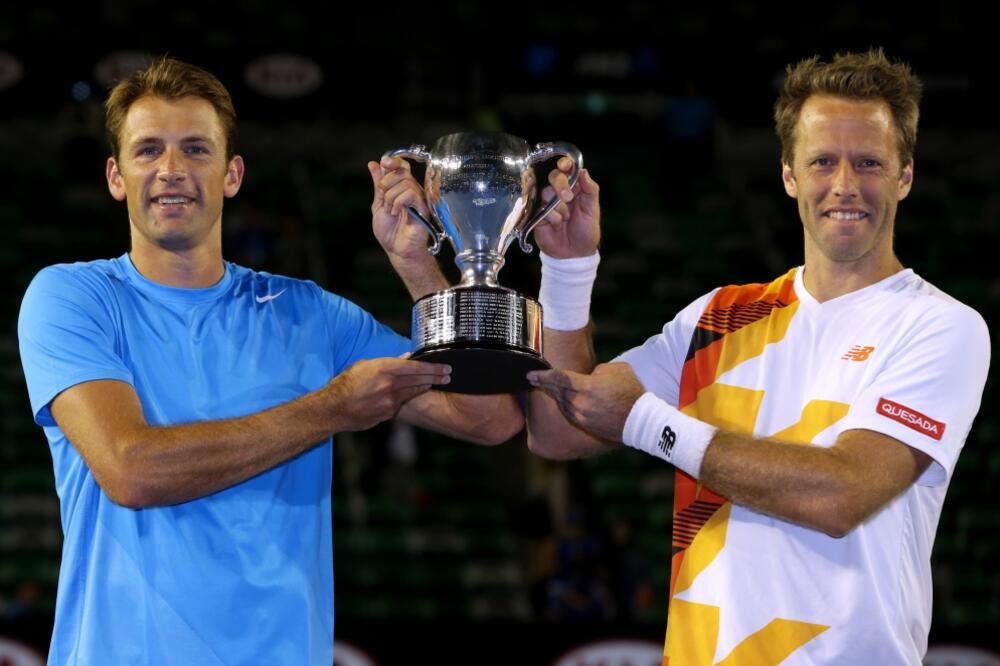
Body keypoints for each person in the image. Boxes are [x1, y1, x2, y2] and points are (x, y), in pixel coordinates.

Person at [17, 56, 523, 665]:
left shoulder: (311, 315)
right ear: (115, 176)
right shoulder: (73, 296)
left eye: (196, 150)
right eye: (148, 150)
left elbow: (489, 418)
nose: (171, 170)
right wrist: (331, 409)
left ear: (232, 174)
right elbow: (133, 471)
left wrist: (416, 266)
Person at [524, 49, 990, 664]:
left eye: (869, 163)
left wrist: (647, 423)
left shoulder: (941, 325)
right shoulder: (718, 317)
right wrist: (567, 268)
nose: (844, 185)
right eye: (822, 160)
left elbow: (839, 496)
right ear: (790, 174)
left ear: (904, 176)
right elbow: (556, 431)